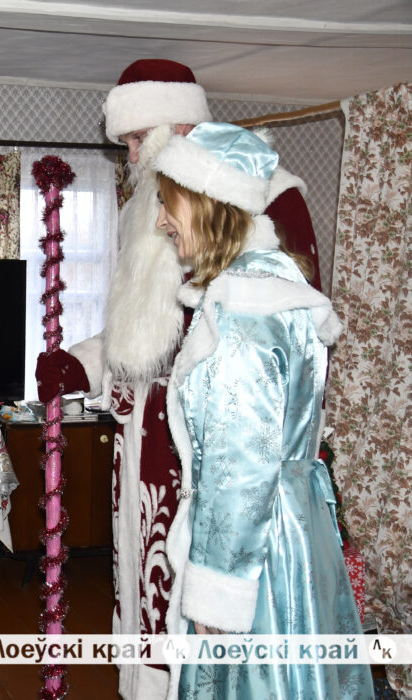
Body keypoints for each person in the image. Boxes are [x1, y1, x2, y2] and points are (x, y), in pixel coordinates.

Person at [34, 59, 324, 699]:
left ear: (179, 125)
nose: (132, 156)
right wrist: (82, 362)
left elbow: (278, 334)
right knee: (144, 575)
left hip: (203, 437)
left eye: (138, 139)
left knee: (200, 602)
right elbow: (139, 332)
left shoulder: (269, 196)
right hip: (143, 433)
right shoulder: (148, 208)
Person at [154, 122, 371, 699]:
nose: (161, 222)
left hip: (255, 560)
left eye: (168, 204)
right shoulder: (277, 292)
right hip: (291, 535)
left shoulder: (243, 316)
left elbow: (241, 468)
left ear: (207, 204)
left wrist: (217, 595)